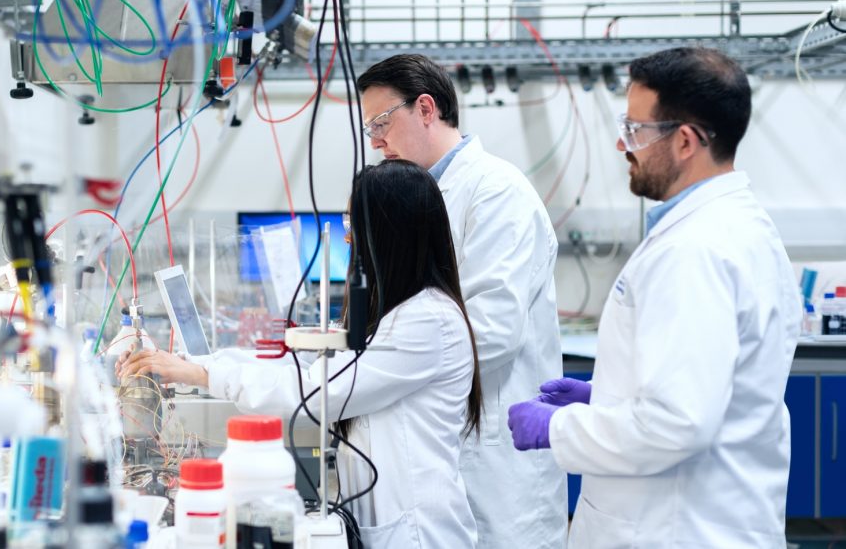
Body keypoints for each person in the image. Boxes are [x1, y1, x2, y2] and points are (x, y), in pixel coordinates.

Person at [507, 47, 800, 548]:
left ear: (685, 141)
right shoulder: (737, 225)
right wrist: (607, 396)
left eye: (636, 130)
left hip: (676, 528)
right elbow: (704, 386)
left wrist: (560, 428)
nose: (623, 145)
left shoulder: (695, 250)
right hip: (705, 515)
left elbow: (677, 424)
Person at [119, 160, 480, 548]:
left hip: (418, 534)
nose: (348, 239)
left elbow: (319, 390)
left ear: (390, 234)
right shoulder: (399, 311)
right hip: (389, 523)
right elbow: (311, 363)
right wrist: (192, 364)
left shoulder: (428, 320)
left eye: (354, 226)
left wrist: (204, 376)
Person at [355, 54, 566, 548]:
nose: (375, 141)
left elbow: (492, 331)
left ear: (426, 109)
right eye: (369, 129)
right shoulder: (420, 196)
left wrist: (381, 370)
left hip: (496, 460)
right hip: (446, 445)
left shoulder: (496, 192)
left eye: (381, 123)